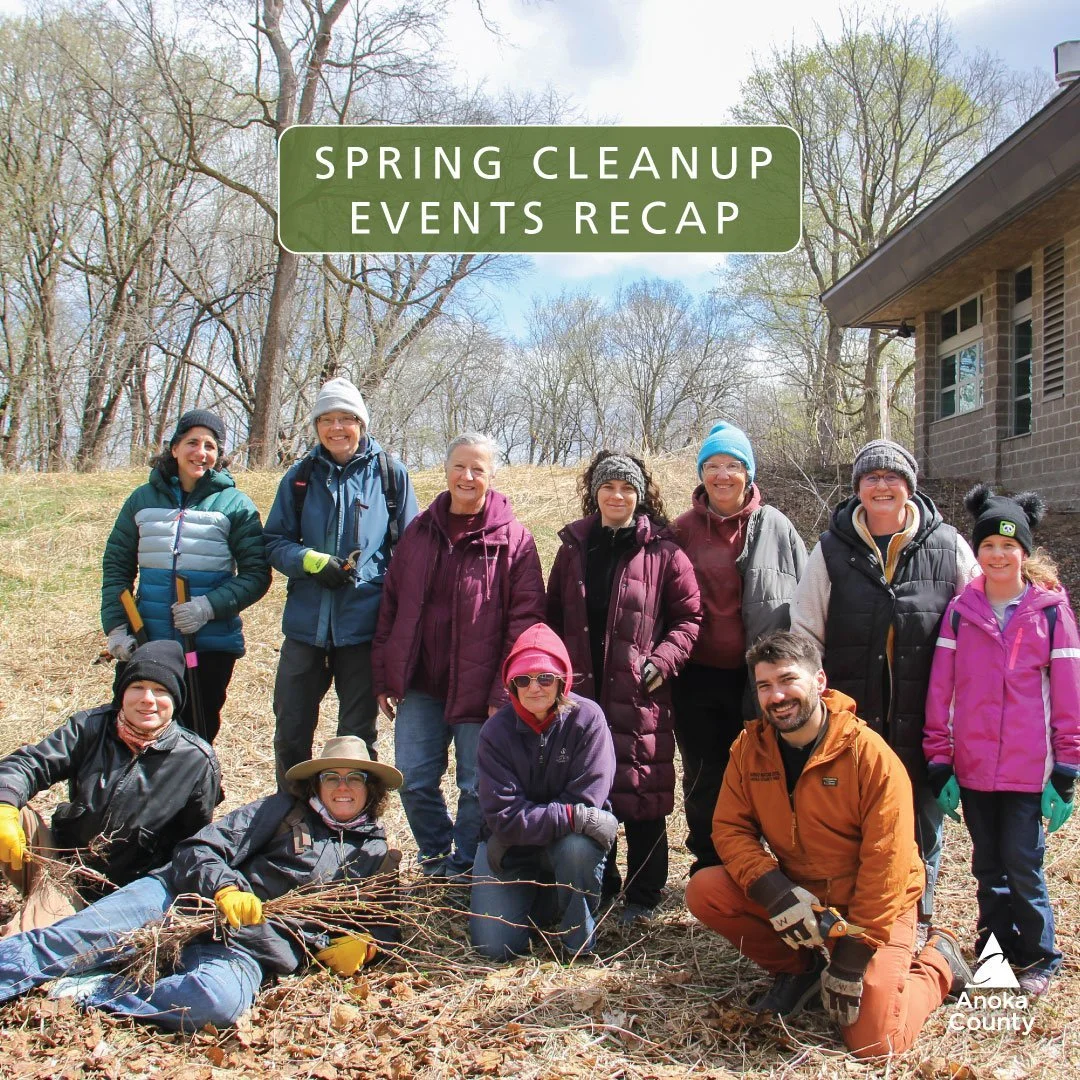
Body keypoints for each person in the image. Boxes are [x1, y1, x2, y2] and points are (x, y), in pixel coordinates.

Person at [686, 631, 972, 1060]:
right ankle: (799, 969)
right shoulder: (750, 749)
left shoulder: (869, 755)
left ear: (819, 680)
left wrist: (854, 957)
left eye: (787, 680)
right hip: (803, 898)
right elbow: (729, 829)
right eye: (764, 686)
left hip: (874, 908)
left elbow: (888, 864)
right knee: (705, 890)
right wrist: (775, 891)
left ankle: (939, 962)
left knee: (877, 1043)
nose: (777, 696)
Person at [0, 737, 403, 1032]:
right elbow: (198, 849)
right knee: (66, 941)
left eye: (356, 778)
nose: (342, 786)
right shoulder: (282, 810)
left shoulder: (374, 851)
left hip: (249, 947)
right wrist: (226, 888)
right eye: (331, 777)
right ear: (316, 784)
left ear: (372, 789)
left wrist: (367, 945)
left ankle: (99, 989)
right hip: (181, 898)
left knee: (214, 1003)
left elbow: (386, 920)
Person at [790, 439, 978, 935]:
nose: (881, 486)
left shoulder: (948, 546)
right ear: (858, 489)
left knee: (922, 824)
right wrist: (817, 704)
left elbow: (980, 619)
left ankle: (917, 919)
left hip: (929, 721)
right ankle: (856, 923)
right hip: (854, 721)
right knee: (855, 827)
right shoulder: (831, 550)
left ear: (909, 488)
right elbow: (805, 633)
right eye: (871, 478)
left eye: (892, 477)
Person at [924, 486, 1080, 998]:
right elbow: (941, 692)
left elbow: (1067, 697)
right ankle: (996, 948)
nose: (997, 555)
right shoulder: (959, 612)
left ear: (1024, 553)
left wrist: (1066, 770)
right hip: (971, 769)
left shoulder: (1051, 613)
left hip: (1026, 770)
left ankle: (1040, 956)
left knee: (1023, 865)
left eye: (1008, 546)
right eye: (988, 545)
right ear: (978, 551)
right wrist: (940, 761)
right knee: (986, 865)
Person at [373, 433, 545, 881]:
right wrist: (386, 676)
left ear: (492, 476)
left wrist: (505, 692)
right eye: (459, 467)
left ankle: (466, 863)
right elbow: (391, 606)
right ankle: (434, 854)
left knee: (476, 785)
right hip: (421, 686)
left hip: (480, 689)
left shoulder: (515, 541)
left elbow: (525, 624)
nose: (467, 477)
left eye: (478, 469)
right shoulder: (419, 532)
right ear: (446, 470)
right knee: (412, 778)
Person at [546, 450, 700, 924]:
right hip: (582, 698)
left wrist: (663, 659)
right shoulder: (574, 548)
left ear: (641, 494)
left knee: (644, 791)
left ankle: (644, 894)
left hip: (641, 693)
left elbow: (690, 617)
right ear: (594, 492)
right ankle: (603, 885)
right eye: (608, 486)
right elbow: (551, 617)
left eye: (627, 488)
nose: (618, 495)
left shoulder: (665, 551)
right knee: (594, 789)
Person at [0, 641, 221, 935]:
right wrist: (5, 805)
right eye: (138, 687)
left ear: (176, 700)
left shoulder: (196, 760)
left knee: (39, 933)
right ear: (122, 692)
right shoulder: (91, 727)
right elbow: (29, 764)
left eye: (161, 691)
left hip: (117, 896)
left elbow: (191, 843)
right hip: (57, 867)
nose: (148, 700)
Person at [264, 378, 418, 789]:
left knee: (357, 737)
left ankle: (355, 824)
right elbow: (274, 542)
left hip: (362, 628)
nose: (336, 428)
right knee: (291, 730)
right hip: (305, 627)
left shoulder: (390, 475)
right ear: (316, 426)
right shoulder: (299, 478)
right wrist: (308, 561)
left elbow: (411, 552)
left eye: (346, 418)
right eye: (326, 419)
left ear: (361, 423)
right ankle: (291, 817)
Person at [668, 422, 806, 876]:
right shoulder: (682, 531)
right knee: (706, 774)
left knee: (763, 773)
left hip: (761, 679)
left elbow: (804, 600)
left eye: (732, 465)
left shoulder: (778, 528)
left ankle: (761, 865)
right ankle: (709, 863)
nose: (722, 475)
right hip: (698, 677)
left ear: (748, 473)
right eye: (712, 465)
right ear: (701, 473)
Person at [101, 409, 271, 743]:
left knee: (196, 734)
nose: (201, 452)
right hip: (147, 641)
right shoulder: (141, 500)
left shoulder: (235, 505)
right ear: (175, 447)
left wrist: (207, 607)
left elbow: (256, 575)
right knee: (133, 733)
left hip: (208, 646)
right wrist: (117, 629)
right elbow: (117, 568)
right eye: (192, 442)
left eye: (210, 445)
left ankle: (198, 794)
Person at [470, 623, 617, 960]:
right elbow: (505, 818)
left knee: (578, 847)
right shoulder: (495, 732)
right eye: (523, 679)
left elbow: (588, 800)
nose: (534, 687)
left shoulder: (588, 720)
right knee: (495, 947)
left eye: (545, 678)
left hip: (567, 846)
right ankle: (546, 899)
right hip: (510, 849)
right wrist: (569, 816)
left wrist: (549, 818)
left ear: (562, 680)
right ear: (511, 685)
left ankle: (577, 941)